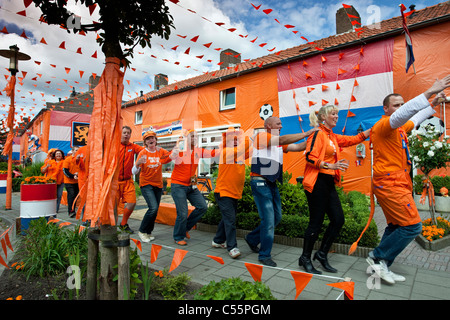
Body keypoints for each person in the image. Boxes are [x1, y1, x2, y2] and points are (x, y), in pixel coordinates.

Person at [364, 76, 450, 284]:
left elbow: (415, 118)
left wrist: (433, 103)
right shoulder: (385, 125)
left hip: (397, 184)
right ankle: (377, 257)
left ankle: (382, 266)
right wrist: (429, 91)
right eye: (396, 105)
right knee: (412, 227)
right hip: (390, 186)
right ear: (386, 109)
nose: (401, 108)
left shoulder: (400, 129)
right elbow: (405, 114)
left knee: (395, 225)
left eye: (402, 104)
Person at [299, 105, 370, 274]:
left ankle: (322, 254)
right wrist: (330, 165)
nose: (336, 116)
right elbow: (309, 156)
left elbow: (353, 139)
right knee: (315, 223)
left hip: (329, 182)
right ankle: (305, 257)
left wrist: (373, 130)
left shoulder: (332, 136)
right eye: (333, 114)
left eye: (337, 114)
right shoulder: (318, 134)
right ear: (323, 117)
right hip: (317, 181)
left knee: (338, 220)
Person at [245, 116, 318, 267]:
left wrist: (315, 138)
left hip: (271, 183)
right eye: (278, 123)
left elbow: (298, 147)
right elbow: (284, 140)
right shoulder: (262, 136)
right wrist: (307, 133)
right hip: (260, 182)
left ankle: (252, 238)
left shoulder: (277, 143)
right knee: (269, 220)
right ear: (268, 125)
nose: (281, 126)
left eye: (281, 124)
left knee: (276, 217)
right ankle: (264, 255)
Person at [170, 129, 218, 246]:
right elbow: (167, 159)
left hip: (191, 185)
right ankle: (178, 236)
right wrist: (172, 154)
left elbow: (213, 154)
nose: (194, 138)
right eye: (192, 136)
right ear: (186, 139)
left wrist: (223, 145)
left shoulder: (198, 151)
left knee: (202, 207)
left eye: (196, 137)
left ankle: (185, 228)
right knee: (182, 212)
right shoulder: (180, 150)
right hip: (178, 185)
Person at [212, 128, 251, 258]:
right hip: (224, 193)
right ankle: (232, 247)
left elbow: (249, 150)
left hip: (233, 193)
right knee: (230, 220)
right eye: (231, 139)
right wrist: (244, 137)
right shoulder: (226, 152)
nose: (234, 141)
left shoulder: (238, 154)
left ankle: (217, 241)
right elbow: (244, 147)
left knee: (227, 218)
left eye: (236, 139)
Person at [132, 131, 172, 243]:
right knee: (153, 207)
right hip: (146, 184)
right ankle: (142, 231)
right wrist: (137, 163)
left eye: (152, 138)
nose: (151, 140)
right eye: (148, 139)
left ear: (155, 140)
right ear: (145, 142)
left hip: (158, 185)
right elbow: (134, 172)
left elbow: (170, 157)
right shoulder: (142, 153)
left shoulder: (160, 151)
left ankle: (148, 233)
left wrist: (178, 150)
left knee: (155, 209)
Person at [118, 126, 144, 233]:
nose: (126, 134)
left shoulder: (133, 147)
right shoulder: (114, 146)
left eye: (128, 133)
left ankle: (123, 223)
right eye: (124, 132)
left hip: (128, 181)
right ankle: (107, 225)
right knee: (112, 206)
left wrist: (156, 149)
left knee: (132, 202)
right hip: (114, 181)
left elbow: (145, 151)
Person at [63, 146, 80, 218]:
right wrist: (72, 176)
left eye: (78, 150)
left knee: (75, 196)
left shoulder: (80, 160)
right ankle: (71, 211)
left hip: (77, 181)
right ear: (72, 151)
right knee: (71, 195)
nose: (77, 151)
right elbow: (65, 170)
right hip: (69, 181)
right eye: (76, 150)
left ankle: (73, 210)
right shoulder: (68, 160)